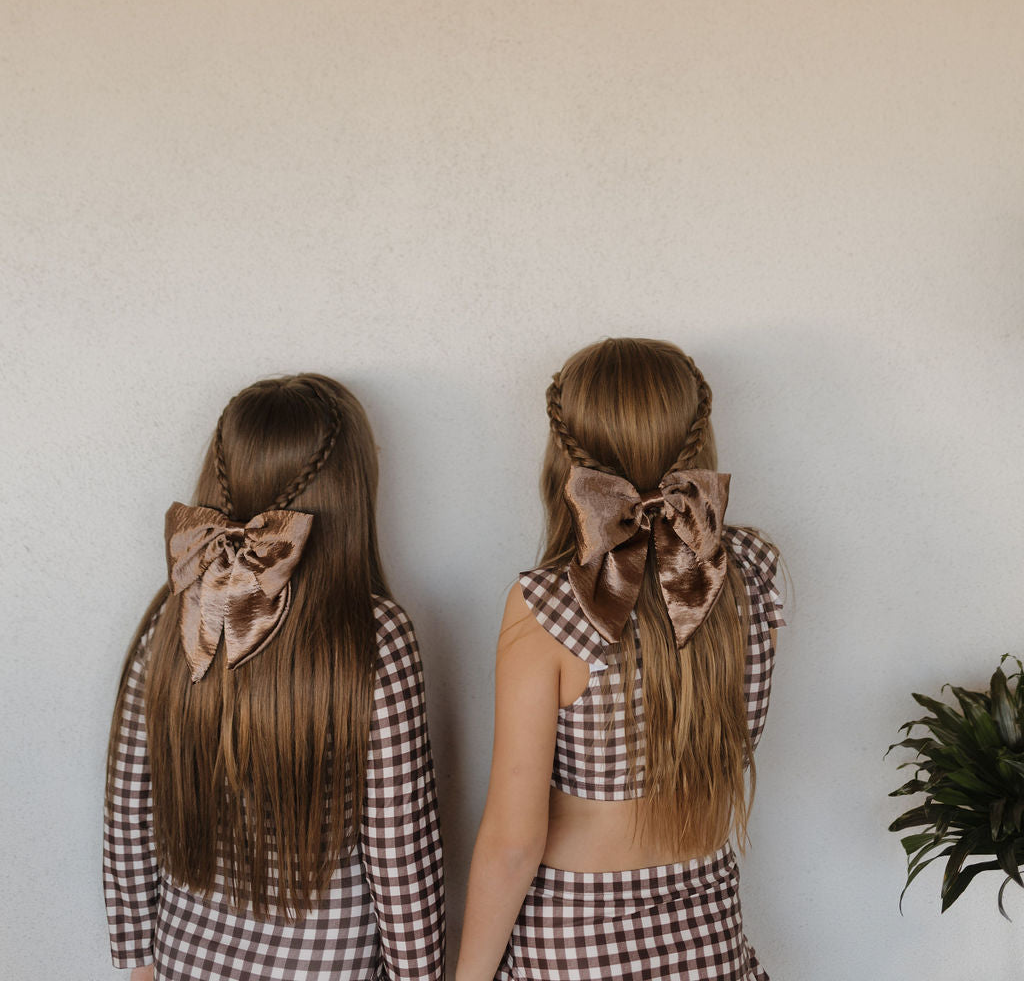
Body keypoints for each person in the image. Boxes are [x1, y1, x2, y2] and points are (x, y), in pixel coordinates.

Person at [457, 338, 784, 981]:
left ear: (567, 461)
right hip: (708, 921)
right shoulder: (752, 570)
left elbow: (512, 842)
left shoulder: (544, 604)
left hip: (575, 935)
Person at [104, 373, 445, 981]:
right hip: (326, 965)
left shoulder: (172, 618)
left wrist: (137, 960)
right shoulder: (375, 635)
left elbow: (129, 809)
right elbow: (399, 851)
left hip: (187, 956)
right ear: (353, 491)